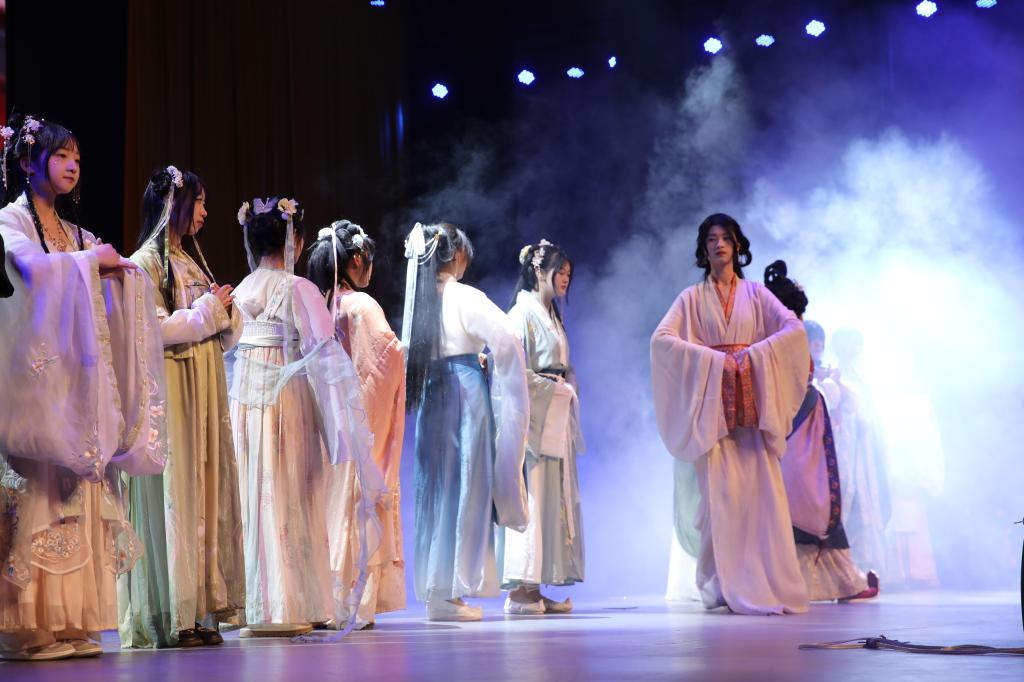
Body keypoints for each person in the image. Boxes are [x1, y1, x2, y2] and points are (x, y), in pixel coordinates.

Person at [0, 114, 166, 660]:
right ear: (29, 162)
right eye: (61, 155)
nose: (73, 165)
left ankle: (72, 622)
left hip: (76, 385)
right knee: (40, 495)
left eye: (77, 157)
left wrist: (120, 274)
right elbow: (30, 271)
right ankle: (28, 629)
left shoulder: (75, 234)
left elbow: (102, 272)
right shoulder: (10, 220)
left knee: (76, 494)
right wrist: (90, 263)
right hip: (35, 386)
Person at [229, 198, 377, 632]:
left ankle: (256, 602)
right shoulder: (298, 288)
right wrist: (342, 420)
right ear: (294, 239)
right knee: (291, 489)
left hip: (245, 402)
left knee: (256, 491)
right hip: (286, 400)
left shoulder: (240, 289)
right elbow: (324, 351)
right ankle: (288, 603)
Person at [651, 213, 809, 615]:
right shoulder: (691, 298)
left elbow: (792, 329)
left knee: (759, 498)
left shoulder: (755, 294)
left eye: (726, 237)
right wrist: (713, 361)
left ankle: (761, 579)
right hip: (715, 413)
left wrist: (753, 357)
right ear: (703, 248)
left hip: (752, 413)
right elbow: (662, 339)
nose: (719, 244)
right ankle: (719, 585)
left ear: (738, 245)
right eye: (711, 238)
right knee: (719, 500)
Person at [120, 166, 245, 648]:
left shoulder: (190, 262)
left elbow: (215, 329)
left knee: (204, 489)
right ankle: (173, 614)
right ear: (176, 204)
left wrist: (225, 312)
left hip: (204, 388)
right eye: (200, 201)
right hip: (172, 389)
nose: (206, 212)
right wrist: (208, 312)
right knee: (179, 493)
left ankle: (202, 609)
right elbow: (150, 329)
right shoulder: (144, 263)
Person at [402, 222, 529, 622]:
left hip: (432, 395)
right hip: (463, 393)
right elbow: (507, 339)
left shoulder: (419, 301)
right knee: (466, 485)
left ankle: (437, 590)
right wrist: (497, 372)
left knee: (436, 489)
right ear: (456, 256)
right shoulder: (463, 296)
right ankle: (452, 590)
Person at [308, 220, 406, 629]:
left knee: (332, 504)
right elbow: (384, 357)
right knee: (358, 501)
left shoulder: (322, 304)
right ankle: (355, 601)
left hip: (326, 421)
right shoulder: (362, 305)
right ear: (356, 259)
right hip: (355, 418)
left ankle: (326, 598)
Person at [763, 260, 878, 601]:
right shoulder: (780, 337)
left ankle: (833, 580)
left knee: (810, 499)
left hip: (800, 420)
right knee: (805, 498)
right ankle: (825, 581)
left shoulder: (781, 336)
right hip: (793, 421)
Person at [499, 239, 584, 615]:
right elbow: (513, 370)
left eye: (568, 273)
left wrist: (566, 386)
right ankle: (520, 590)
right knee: (531, 497)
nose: (565, 278)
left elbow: (562, 367)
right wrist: (556, 389)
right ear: (538, 270)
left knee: (550, 498)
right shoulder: (521, 314)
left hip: (554, 412)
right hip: (533, 420)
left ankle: (535, 584)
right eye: (559, 271)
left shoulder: (551, 315)